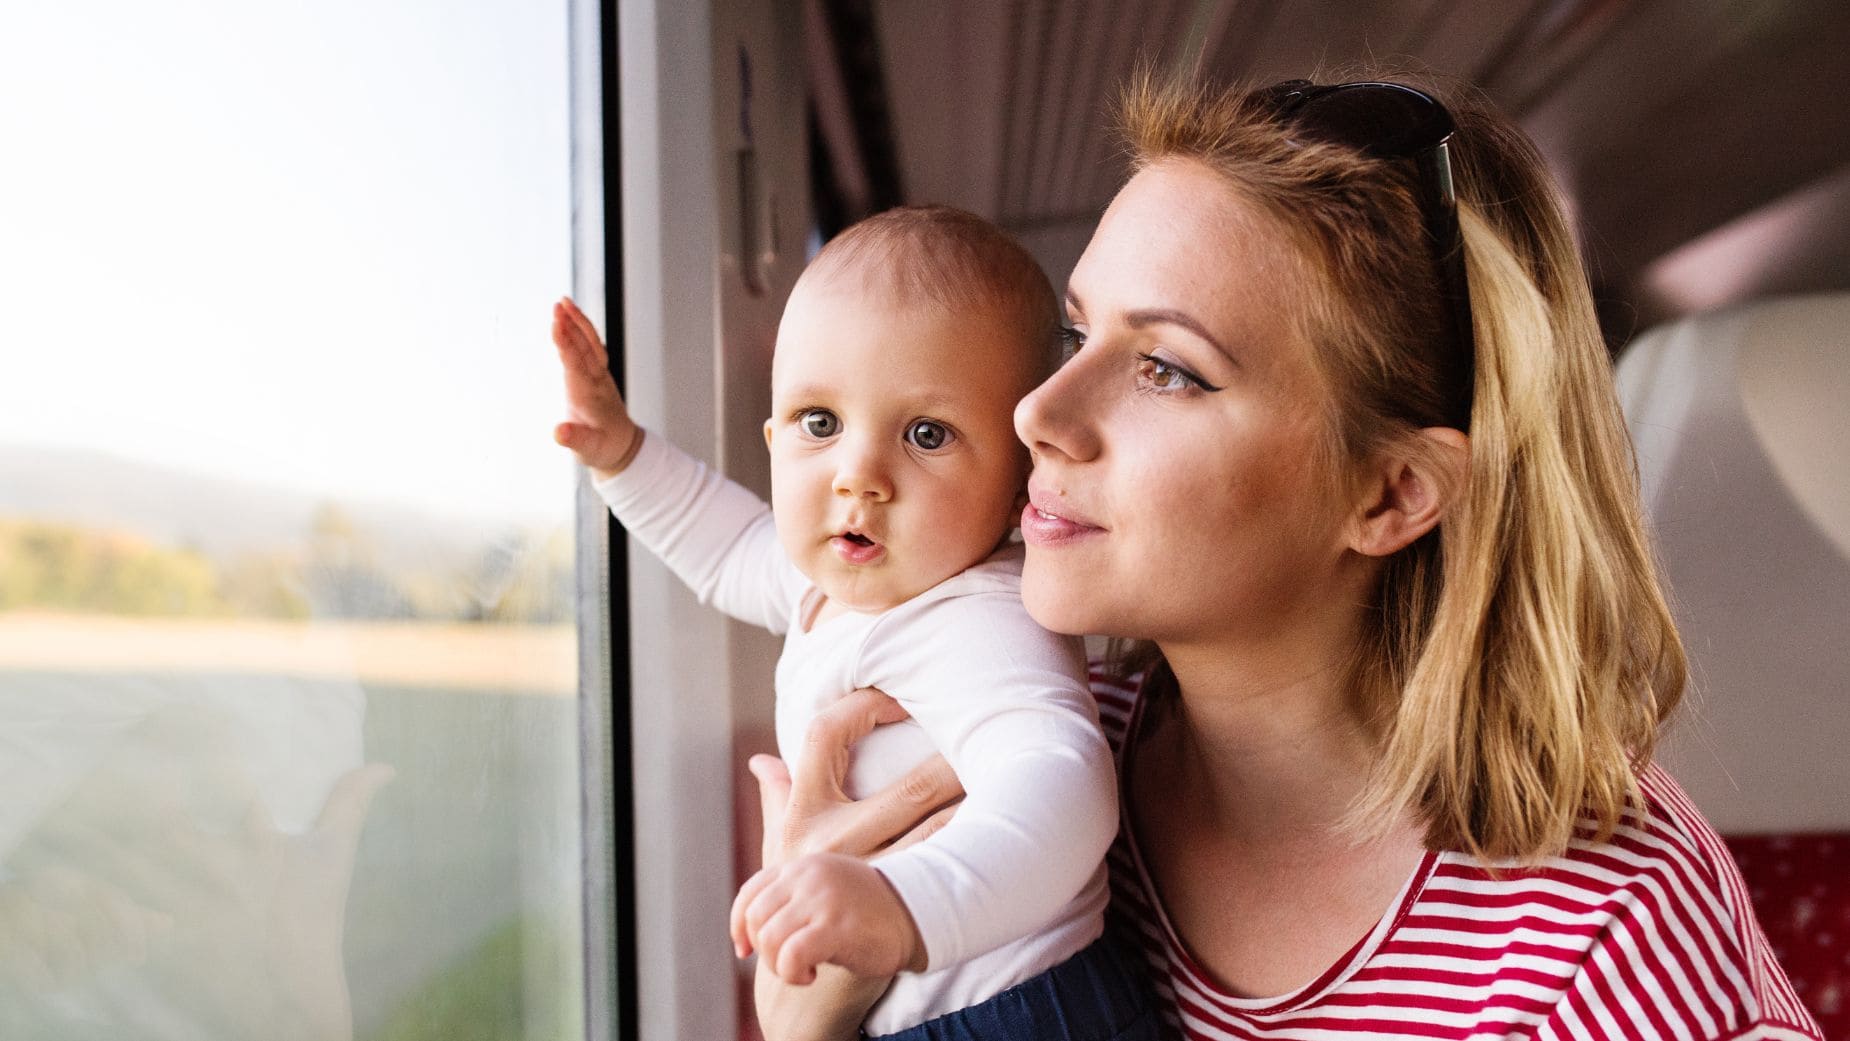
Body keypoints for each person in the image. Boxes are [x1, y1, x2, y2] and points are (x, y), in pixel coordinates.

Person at [748, 73, 1827, 1041]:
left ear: (1390, 492)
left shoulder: (1604, 947)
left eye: (1167, 369)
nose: (1036, 412)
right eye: (1078, 338)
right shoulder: (1006, 763)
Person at [549, 207, 1159, 1040]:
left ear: (1022, 479)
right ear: (772, 438)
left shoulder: (980, 615)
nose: (859, 476)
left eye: (926, 434)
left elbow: (1067, 786)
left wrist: (906, 904)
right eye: (820, 423)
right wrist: (622, 455)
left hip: (1019, 1012)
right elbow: (726, 546)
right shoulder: (827, 583)